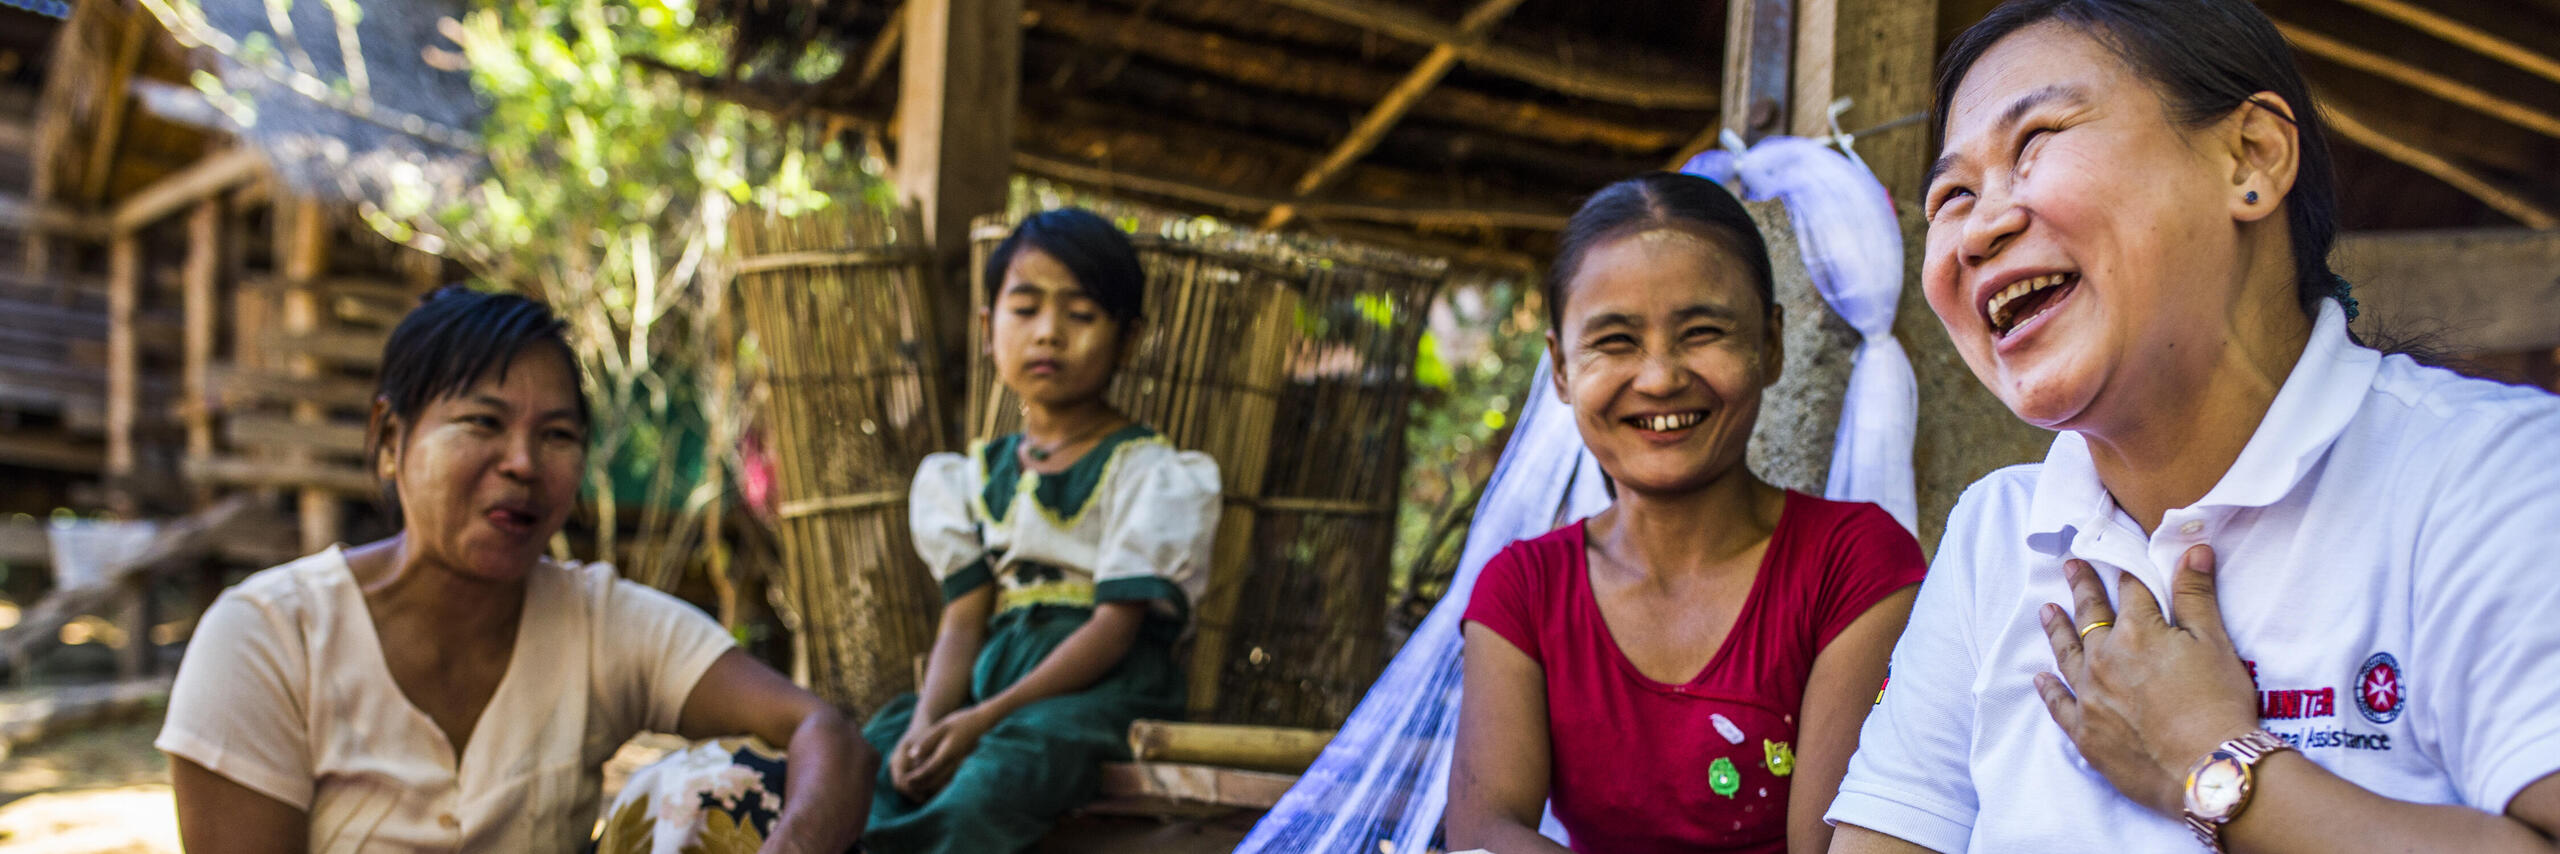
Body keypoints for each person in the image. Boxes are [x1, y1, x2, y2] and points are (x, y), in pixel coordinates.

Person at [1827, 1, 2560, 851]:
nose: (1981, 226)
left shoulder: (2497, 475)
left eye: (2035, 144)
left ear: (2250, 158)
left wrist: (2214, 767)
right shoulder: (1997, 534)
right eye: (1952, 195)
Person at [158, 286, 874, 853]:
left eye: (557, 435)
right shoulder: (267, 639)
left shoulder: (599, 622)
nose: (524, 463)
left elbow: (821, 731)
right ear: (388, 438)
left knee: (713, 790)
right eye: (482, 423)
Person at [1447, 173, 1928, 854]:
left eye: (1702, 332)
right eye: (1615, 342)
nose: (1660, 377)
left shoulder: (1854, 564)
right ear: (1559, 368)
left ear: (1770, 345)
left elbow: (1826, 849)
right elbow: (1486, 831)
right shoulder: (1524, 589)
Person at [861, 207, 1220, 853]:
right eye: (1024, 309)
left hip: (1099, 691)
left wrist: (982, 721)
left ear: (1128, 338)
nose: (1048, 334)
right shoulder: (964, 477)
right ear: (987, 328)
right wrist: (928, 720)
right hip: (989, 679)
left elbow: (1115, 629)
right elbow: (964, 620)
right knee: (865, 767)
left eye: (1080, 316)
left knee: (989, 787)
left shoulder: (1153, 473)